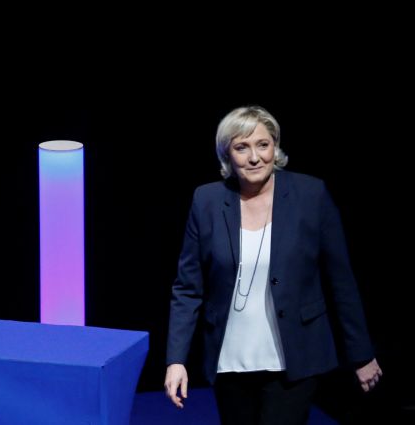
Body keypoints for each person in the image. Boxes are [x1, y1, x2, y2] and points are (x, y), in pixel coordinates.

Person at [164, 105, 382, 425]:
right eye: (242, 147)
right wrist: (176, 360)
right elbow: (187, 288)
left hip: (295, 357)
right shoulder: (206, 200)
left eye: (263, 145)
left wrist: (360, 354)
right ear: (227, 154)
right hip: (230, 360)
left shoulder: (310, 194)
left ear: (275, 146)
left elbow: (341, 281)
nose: (254, 157)